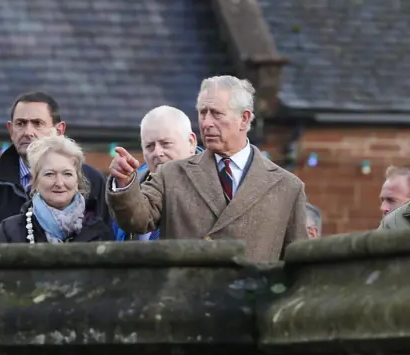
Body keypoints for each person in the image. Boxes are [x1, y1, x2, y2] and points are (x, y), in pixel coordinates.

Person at [107, 75, 307, 262]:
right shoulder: (171, 174)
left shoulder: (287, 187)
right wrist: (125, 183)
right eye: (203, 113)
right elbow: (137, 220)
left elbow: (297, 260)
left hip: (253, 297)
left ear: (244, 119)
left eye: (217, 114)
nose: (207, 123)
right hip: (188, 296)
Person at [0, 91, 108, 248]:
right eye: (20, 123)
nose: (28, 132)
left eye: (37, 123)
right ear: (10, 130)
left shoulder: (92, 180)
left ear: (60, 130)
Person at [0, 135, 114, 244]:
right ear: (35, 182)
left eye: (67, 174)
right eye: (50, 174)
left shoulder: (99, 231)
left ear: (77, 181)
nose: (59, 183)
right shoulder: (10, 231)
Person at [113, 105, 200, 242]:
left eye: (166, 144)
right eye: (149, 146)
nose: (157, 153)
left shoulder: (215, 181)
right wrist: (124, 185)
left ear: (191, 142)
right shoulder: (130, 186)